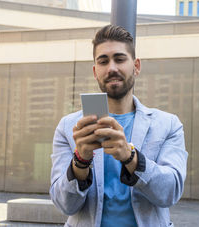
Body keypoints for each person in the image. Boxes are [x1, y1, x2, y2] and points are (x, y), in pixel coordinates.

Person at [50, 25, 188, 227]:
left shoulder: (168, 124)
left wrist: (130, 157)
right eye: (103, 61)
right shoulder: (70, 127)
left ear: (136, 66)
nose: (112, 68)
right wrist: (80, 161)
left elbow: (170, 193)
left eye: (120, 59)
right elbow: (64, 205)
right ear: (96, 72)